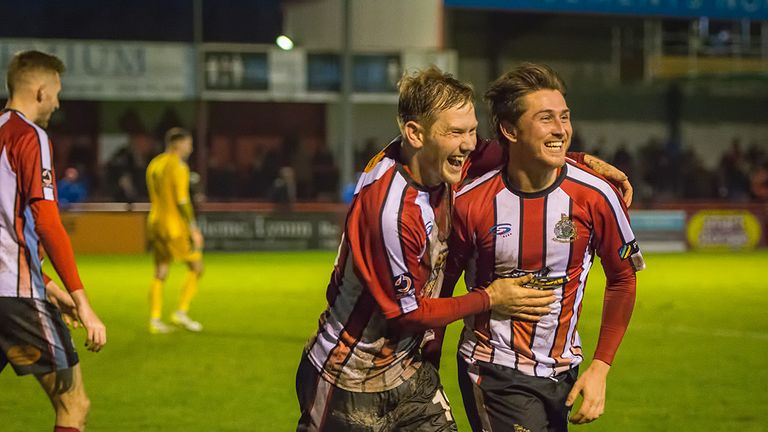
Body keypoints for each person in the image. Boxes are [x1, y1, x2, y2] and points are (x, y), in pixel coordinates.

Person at [295, 66, 632, 431]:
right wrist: (490, 297)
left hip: (412, 375)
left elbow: (515, 152)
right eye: (456, 132)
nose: (470, 143)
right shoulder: (390, 212)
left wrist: (582, 162)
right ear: (415, 133)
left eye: (471, 130)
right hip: (349, 375)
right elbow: (404, 314)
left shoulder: (441, 159)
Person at [443, 63, 645, 431]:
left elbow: (622, 279)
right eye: (546, 118)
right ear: (510, 130)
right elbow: (441, 290)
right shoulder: (470, 203)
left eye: (564, 117)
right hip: (493, 368)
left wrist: (600, 367)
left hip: (564, 370)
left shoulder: (598, 195)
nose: (561, 129)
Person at [0, 50, 107, 432]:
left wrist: (50, 288)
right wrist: (82, 301)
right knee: (73, 405)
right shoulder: (30, 136)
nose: (59, 102)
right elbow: (46, 222)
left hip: (13, 287)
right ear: (41, 91)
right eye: (58, 92)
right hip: (16, 295)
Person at [145, 127, 204, 334]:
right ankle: (181, 312)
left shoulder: (155, 164)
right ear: (178, 144)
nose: (191, 147)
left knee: (160, 271)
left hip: (154, 223)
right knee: (197, 267)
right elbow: (182, 200)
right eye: (188, 143)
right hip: (173, 227)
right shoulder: (178, 165)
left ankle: (155, 319)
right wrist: (193, 228)